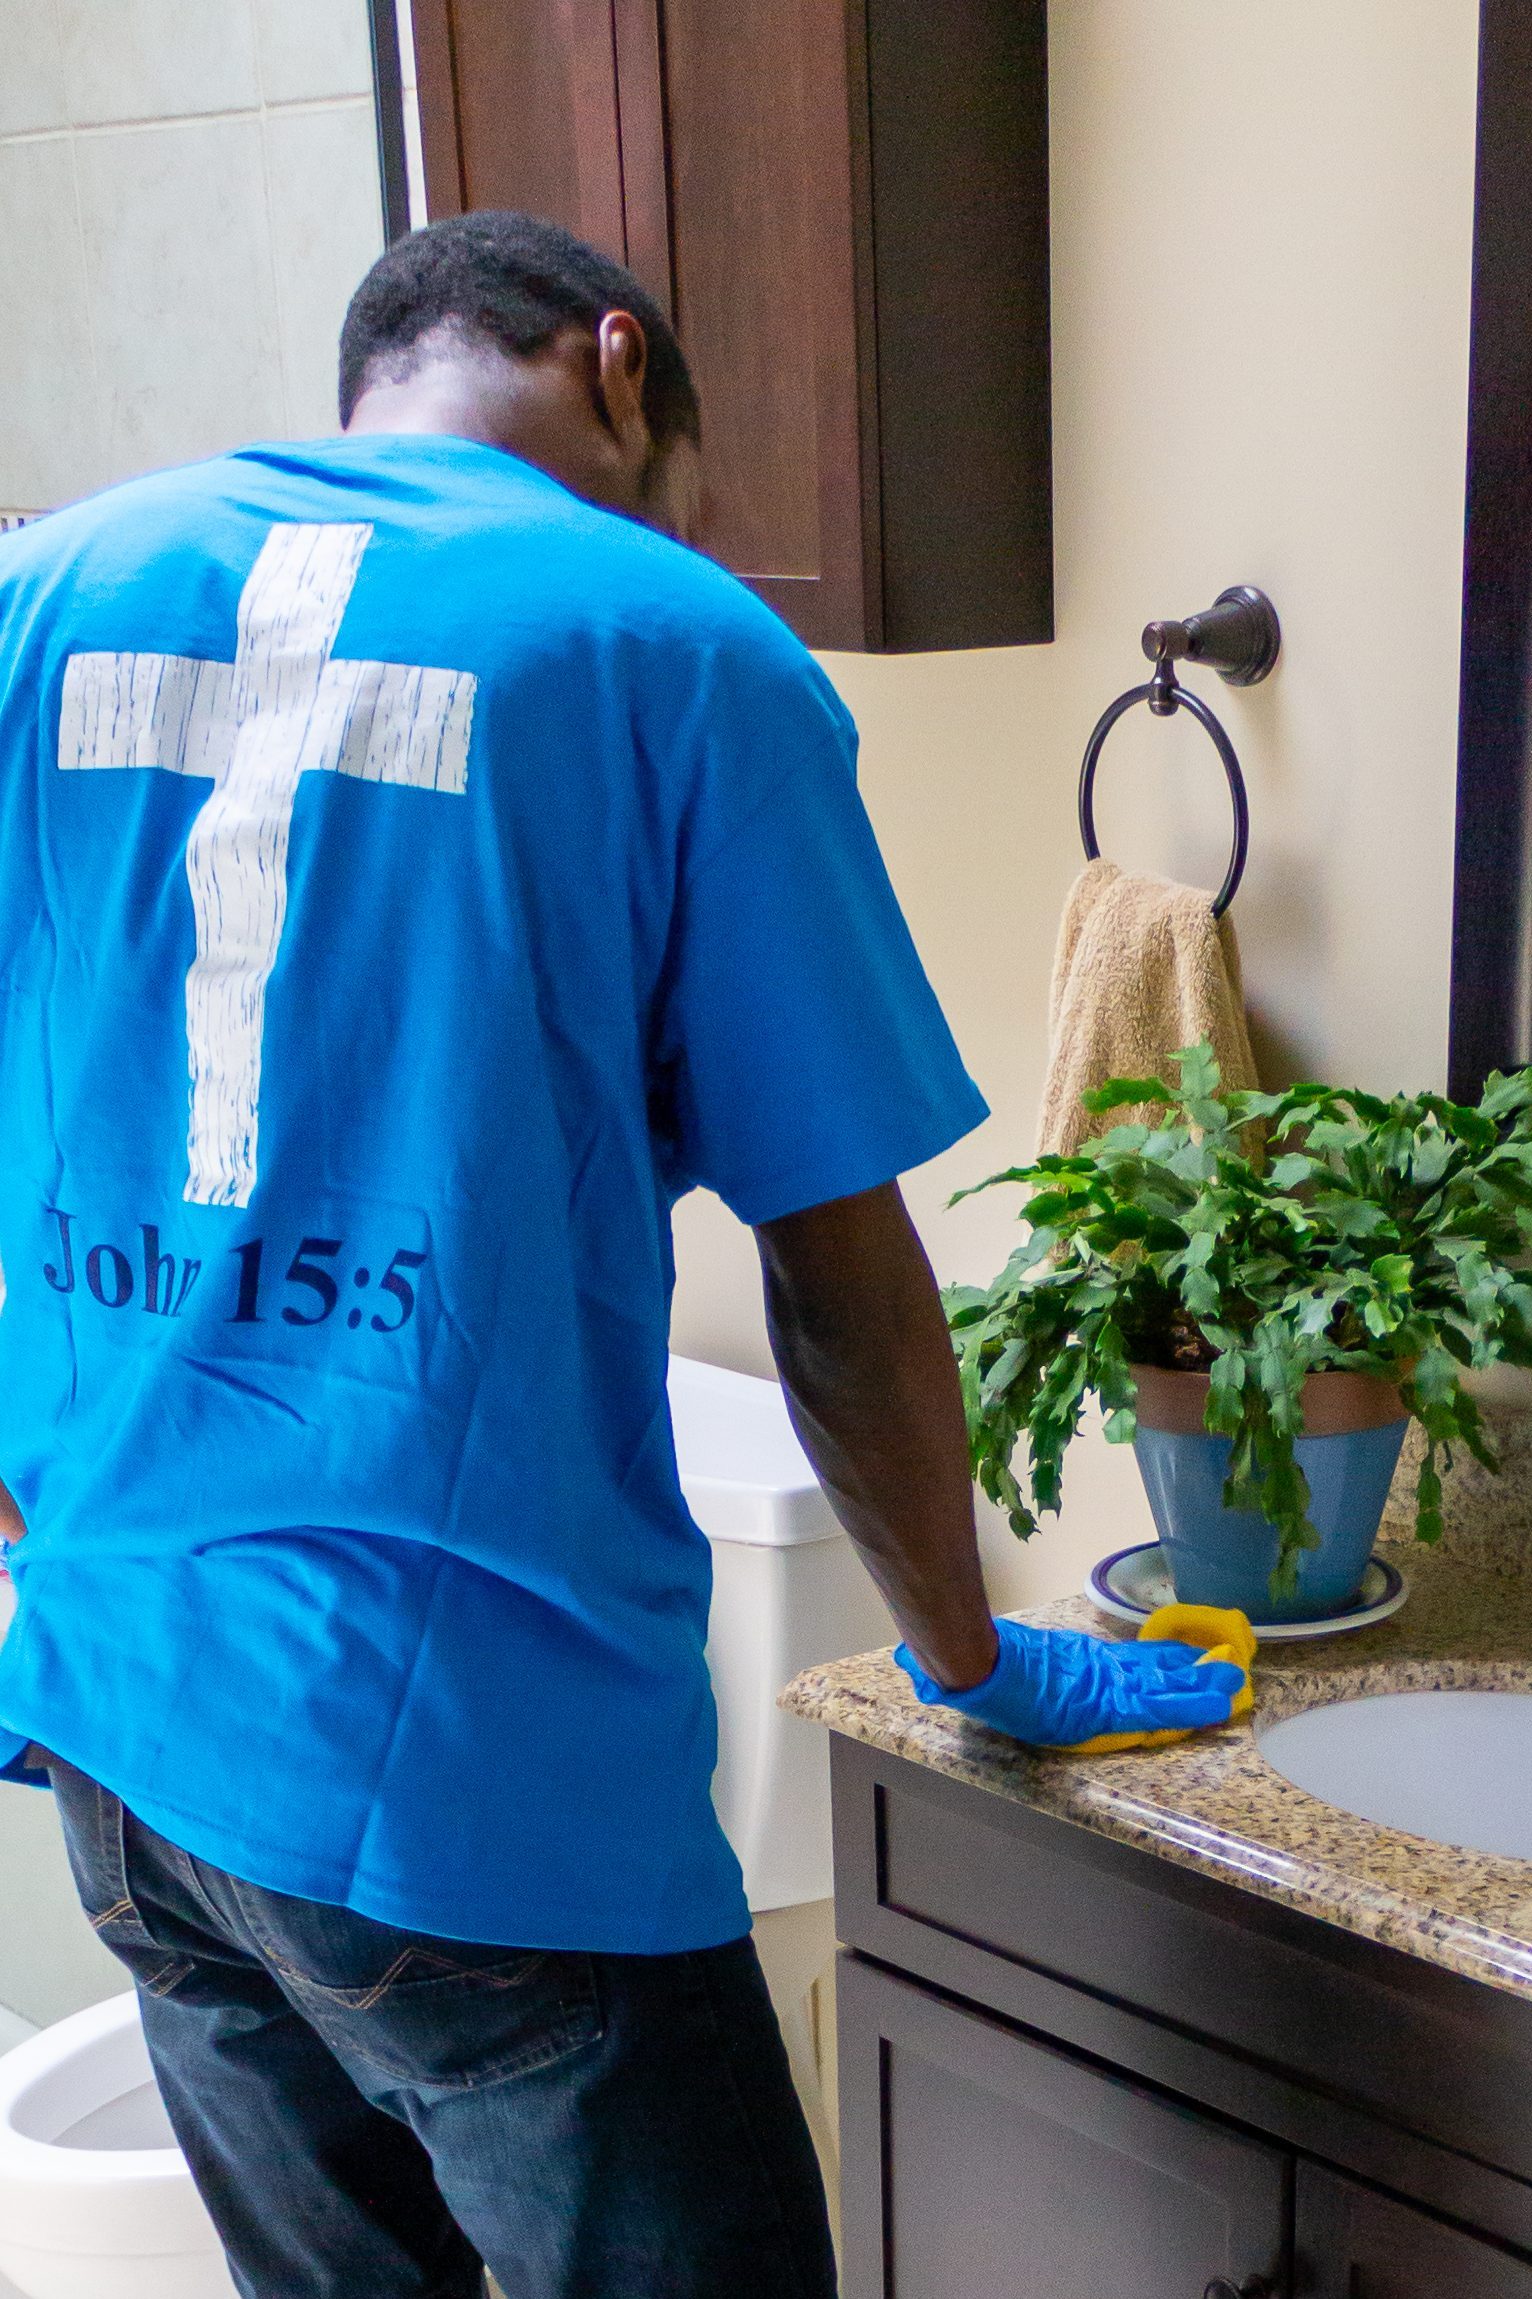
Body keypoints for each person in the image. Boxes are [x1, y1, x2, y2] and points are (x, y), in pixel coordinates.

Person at [0, 212, 1241, 2298]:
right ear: (619, 365)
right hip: (481, 1802)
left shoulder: (46, 593)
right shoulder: (669, 643)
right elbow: (840, 1290)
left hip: (123, 1743)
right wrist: (967, 1653)